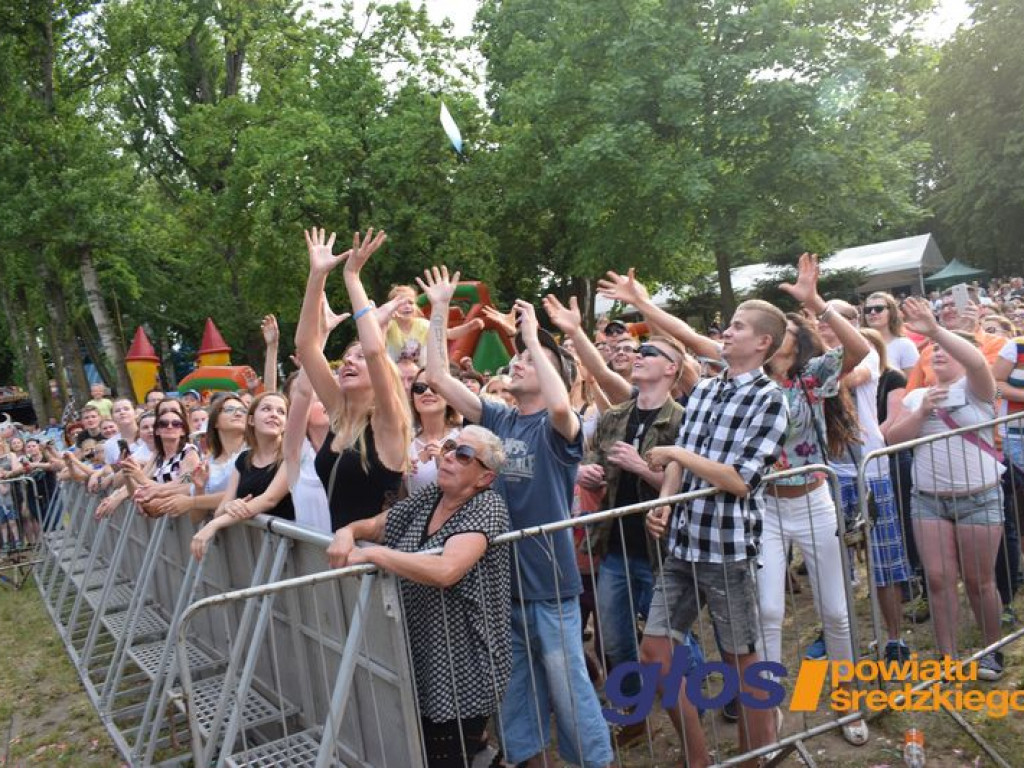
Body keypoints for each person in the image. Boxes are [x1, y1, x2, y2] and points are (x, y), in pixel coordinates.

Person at [419, 266, 613, 768]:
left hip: (550, 587)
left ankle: (595, 762)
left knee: (570, 692)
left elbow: (561, 406)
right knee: (513, 691)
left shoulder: (557, 430)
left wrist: (530, 334)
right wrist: (439, 309)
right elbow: (438, 377)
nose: (520, 360)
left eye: (532, 359)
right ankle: (528, 761)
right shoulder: (499, 418)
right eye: (520, 356)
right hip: (499, 587)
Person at [638, 292, 789, 768]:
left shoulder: (770, 399)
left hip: (727, 552)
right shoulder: (704, 389)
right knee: (654, 655)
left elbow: (739, 481)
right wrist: (664, 503)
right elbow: (680, 463)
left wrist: (676, 457)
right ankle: (698, 759)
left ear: (763, 342)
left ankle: (754, 760)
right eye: (729, 324)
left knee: (742, 668)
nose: (728, 330)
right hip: (683, 547)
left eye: (739, 326)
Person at [327, 427, 510, 768]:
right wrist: (347, 531)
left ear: (485, 477)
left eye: (464, 454)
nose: (451, 455)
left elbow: (447, 570)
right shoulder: (432, 496)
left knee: (443, 759)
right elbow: (378, 526)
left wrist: (375, 557)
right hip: (422, 656)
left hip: (464, 667)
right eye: (451, 446)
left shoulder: (487, 505)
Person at [575, 335, 688, 743]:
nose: (638, 357)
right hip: (614, 549)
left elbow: (686, 487)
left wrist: (642, 468)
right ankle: (634, 714)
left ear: (671, 368)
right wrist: (587, 471)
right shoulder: (614, 416)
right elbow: (592, 458)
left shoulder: (681, 419)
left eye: (650, 353)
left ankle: (690, 717)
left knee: (674, 641)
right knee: (618, 639)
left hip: (662, 552)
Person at [887, 297, 1005, 680]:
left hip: (979, 499)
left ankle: (991, 651)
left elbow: (975, 361)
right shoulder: (917, 396)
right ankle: (948, 659)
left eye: (945, 349)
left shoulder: (977, 389)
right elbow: (890, 439)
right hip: (929, 503)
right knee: (937, 580)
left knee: (979, 581)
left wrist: (936, 329)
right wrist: (921, 413)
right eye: (933, 349)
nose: (938, 353)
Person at [295, 228, 411, 532]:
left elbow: (374, 350)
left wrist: (352, 275)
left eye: (357, 357)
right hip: (342, 558)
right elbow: (306, 347)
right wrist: (317, 275)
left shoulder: (387, 421)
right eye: (347, 356)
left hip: (380, 565)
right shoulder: (340, 414)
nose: (348, 360)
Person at [191, 392, 294, 559]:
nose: (274, 414)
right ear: (251, 420)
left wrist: (213, 525)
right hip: (258, 552)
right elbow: (220, 509)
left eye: (281, 412)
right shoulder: (243, 459)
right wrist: (231, 506)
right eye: (266, 409)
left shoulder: (292, 454)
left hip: (291, 551)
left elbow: (269, 499)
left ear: (286, 424)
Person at [407, 369, 462, 495]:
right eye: (420, 387)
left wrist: (444, 463)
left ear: (448, 396)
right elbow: (402, 499)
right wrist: (400, 477)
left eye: (435, 387)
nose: (427, 392)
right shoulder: (405, 442)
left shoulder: (463, 437)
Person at [864, 292, 920, 377]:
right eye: (868, 310)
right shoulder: (858, 344)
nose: (872, 312)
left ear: (891, 312)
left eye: (879, 309)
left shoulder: (904, 345)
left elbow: (913, 381)